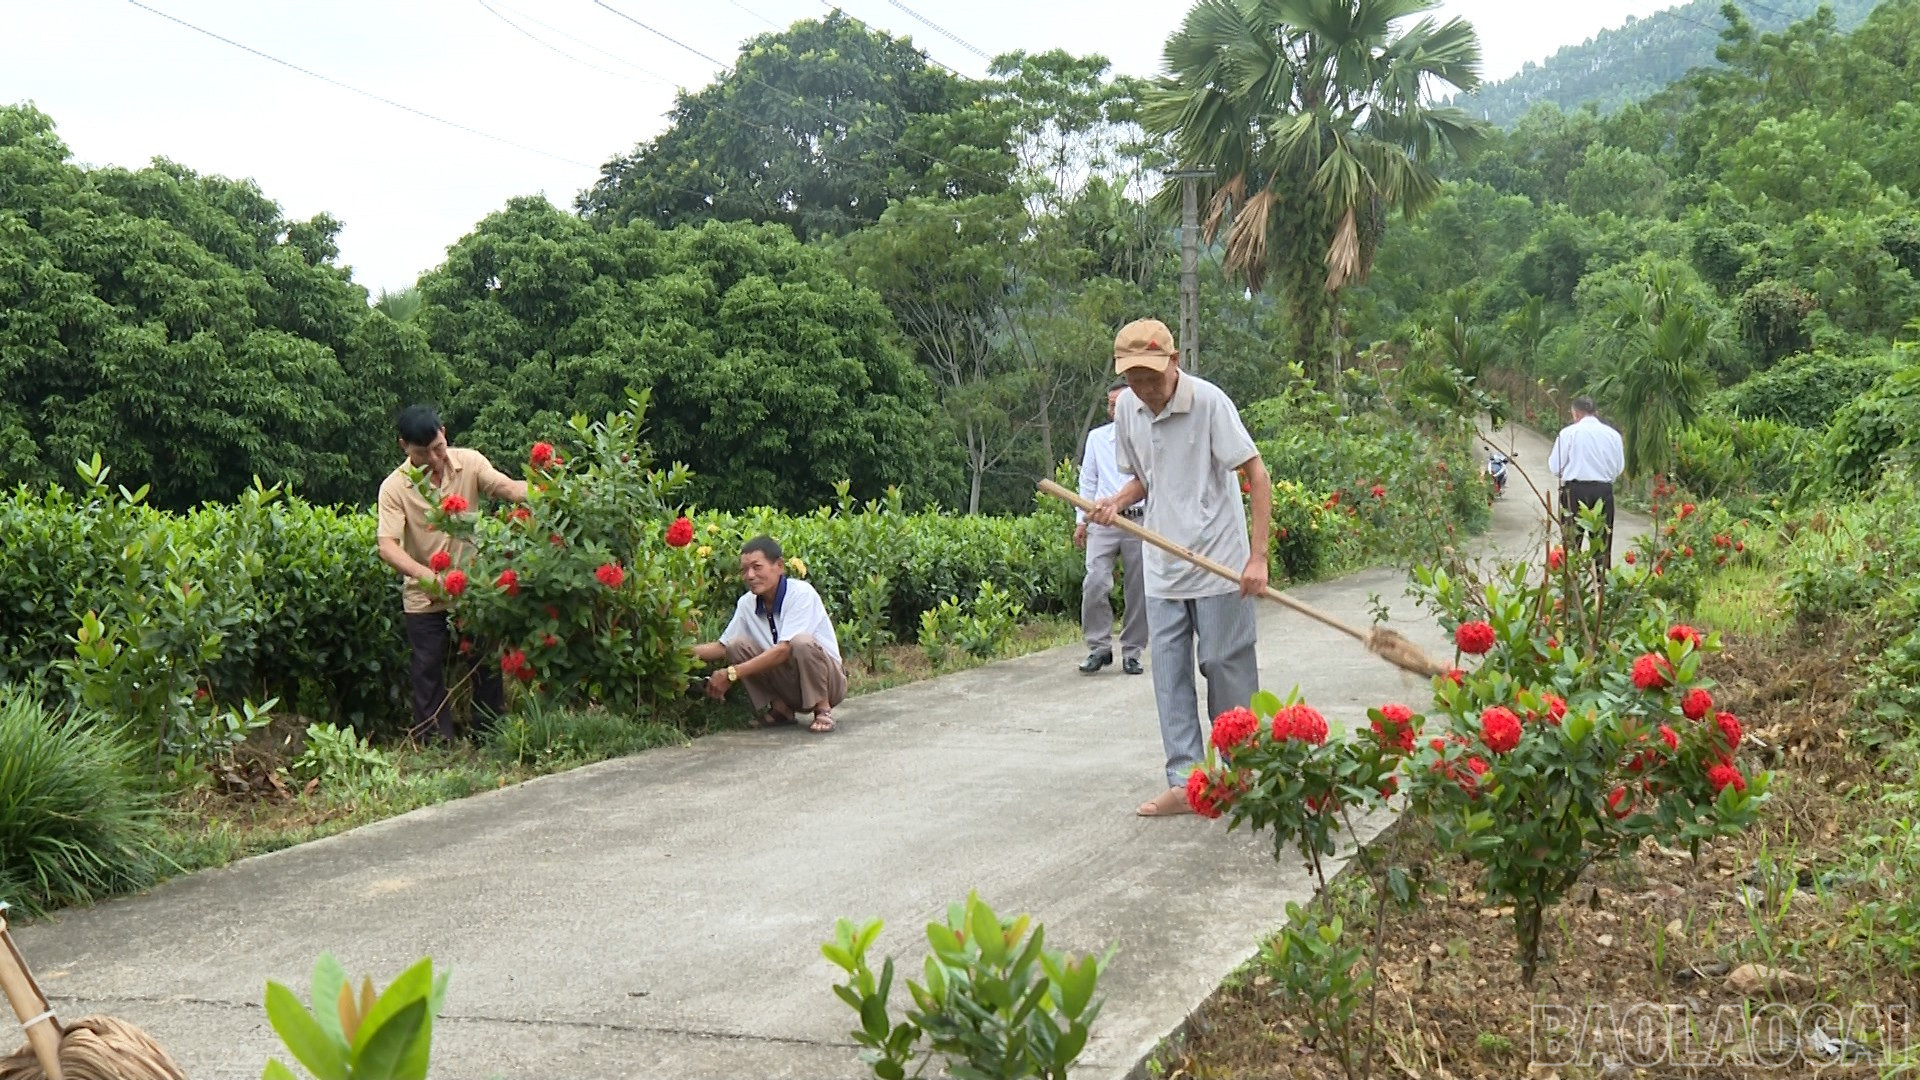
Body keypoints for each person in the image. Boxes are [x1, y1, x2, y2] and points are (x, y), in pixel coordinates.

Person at [1090, 318, 1272, 818]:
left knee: (1224, 665)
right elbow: (1145, 481)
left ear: (1174, 362)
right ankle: (1187, 781)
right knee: (1168, 675)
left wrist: (1256, 557)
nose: (1144, 388)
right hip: (1163, 567)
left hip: (1219, 564)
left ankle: (1240, 775)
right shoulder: (1127, 408)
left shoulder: (1209, 402)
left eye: (1151, 376)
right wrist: (1114, 502)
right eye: (1133, 378)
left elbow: (1256, 473)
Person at [375, 404, 528, 742]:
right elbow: (387, 546)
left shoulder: (470, 462)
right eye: (422, 452)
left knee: (484, 665)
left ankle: (489, 735)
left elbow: (507, 488)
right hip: (423, 595)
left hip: (473, 591)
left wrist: (550, 490)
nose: (433, 458)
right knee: (427, 669)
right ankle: (434, 744)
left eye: (438, 447)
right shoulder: (394, 488)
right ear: (404, 446)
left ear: (444, 432)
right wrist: (427, 576)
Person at [692, 535, 847, 734]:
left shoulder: (801, 594)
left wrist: (732, 674)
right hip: (790, 684)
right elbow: (721, 647)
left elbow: (784, 650)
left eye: (757, 567)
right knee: (735, 645)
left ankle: (822, 707)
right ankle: (781, 709)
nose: (749, 575)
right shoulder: (747, 603)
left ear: (779, 566)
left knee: (801, 642)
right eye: (744, 570)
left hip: (829, 682)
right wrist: (679, 651)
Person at [1074, 378, 1148, 676]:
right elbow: (1088, 481)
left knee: (1139, 587)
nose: (1114, 409)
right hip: (1102, 521)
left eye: (1120, 404)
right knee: (1095, 580)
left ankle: (1133, 651)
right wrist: (1082, 520)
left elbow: (1151, 480)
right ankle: (1099, 647)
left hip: (1138, 519)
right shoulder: (1096, 438)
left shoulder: (1146, 437)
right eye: (1111, 404)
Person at [1547, 395, 1626, 570]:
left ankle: (1571, 584)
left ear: (1575, 414)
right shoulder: (1613, 435)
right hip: (1603, 491)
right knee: (1602, 542)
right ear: (1595, 412)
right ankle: (1601, 584)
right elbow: (1619, 467)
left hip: (1574, 491)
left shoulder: (1568, 433)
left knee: (1571, 540)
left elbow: (1555, 466)